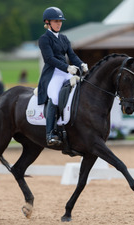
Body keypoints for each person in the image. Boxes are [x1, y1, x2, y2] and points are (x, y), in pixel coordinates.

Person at [38, 6, 88, 148]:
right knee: (54, 96)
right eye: (55, 21)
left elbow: (71, 55)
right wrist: (67, 67)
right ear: (47, 22)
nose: (59, 23)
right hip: (53, 73)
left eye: (60, 21)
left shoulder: (64, 38)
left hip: (67, 72)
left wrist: (81, 64)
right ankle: (50, 133)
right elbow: (49, 59)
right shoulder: (44, 39)